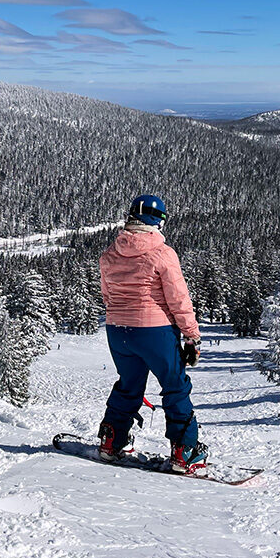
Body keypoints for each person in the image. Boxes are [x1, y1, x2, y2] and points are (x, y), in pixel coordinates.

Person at [97, 194, 208, 474]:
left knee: (129, 384)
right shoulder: (163, 253)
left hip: (117, 330)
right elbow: (178, 299)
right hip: (154, 330)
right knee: (175, 386)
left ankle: (111, 442)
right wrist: (191, 335)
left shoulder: (110, 253)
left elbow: (107, 295)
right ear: (158, 221)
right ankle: (185, 453)